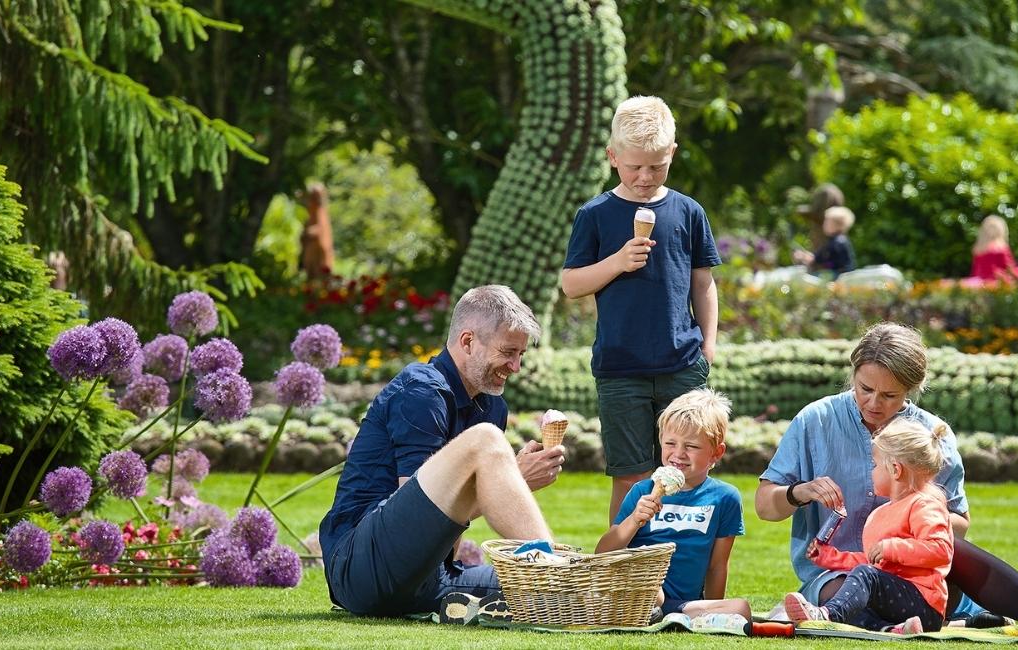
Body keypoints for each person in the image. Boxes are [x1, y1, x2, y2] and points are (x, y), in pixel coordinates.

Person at [755, 322, 1018, 645]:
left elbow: (958, 526)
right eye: (864, 389)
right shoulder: (816, 420)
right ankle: (928, 624)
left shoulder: (931, 433)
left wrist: (915, 518)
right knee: (850, 589)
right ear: (853, 375)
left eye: (889, 395)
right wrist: (798, 493)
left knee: (955, 550)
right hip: (838, 577)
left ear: (911, 390)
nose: (873, 403)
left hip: (919, 578)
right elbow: (764, 506)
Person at [318, 285, 567, 617]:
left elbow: (442, 537)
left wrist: (503, 483)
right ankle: (557, 567)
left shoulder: (492, 407)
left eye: (521, 354)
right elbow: (417, 519)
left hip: (427, 578)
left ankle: (589, 588)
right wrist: (514, 479)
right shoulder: (422, 391)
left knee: (542, 594)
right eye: (508, 352)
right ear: (467, 341)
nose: (516, 366)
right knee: (486, 440)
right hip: (360, 570)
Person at [562, 95, 721, 521]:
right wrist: (617, 262)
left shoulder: (688, 211)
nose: (645, 176)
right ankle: (622, 571)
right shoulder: (595, 214)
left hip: (681, 363)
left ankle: (683, 564)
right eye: (634, 166)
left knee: (686, 472)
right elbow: (571, 283)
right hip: (620, 368)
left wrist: (707, 346)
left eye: (656, 166)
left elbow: (703, 283)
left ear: (672, 153)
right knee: (631, 478)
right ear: (613, 157)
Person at [782, 418, 954, 635]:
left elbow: (941, 550)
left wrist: (892, 548)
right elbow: (872, 561)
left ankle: (826, 616)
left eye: (874, 464)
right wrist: (830, 558)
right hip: (898, 606)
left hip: (924, 604)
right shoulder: (881, 513)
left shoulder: (924, 504)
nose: (871, 471)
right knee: (855, 596)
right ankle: (893, 630)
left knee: (865, 577)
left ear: (895, 469)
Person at [595, 388, 750, 620]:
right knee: (650, 585)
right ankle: (651, 611)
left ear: (716, 453)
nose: (678, 454)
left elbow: (717, 565)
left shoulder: (725, 497)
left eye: (691, 446)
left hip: (682, 602)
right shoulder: (642, 490)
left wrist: (714, 611)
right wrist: (634, 520)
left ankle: (666, 615)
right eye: (670, 443)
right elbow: (603, 553)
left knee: (740, 609)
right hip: (639, 589)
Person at [795, 206, 857, 276]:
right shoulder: (836, 240)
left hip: (841, 275)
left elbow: (832, 262)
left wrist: (813, 259)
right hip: (839, 273)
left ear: (837, 225)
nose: (824, 225)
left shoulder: (838, 242)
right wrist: (810, 257)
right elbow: (821, 256)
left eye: (827, 222)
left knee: (813, 277)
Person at [969, 215, 1018, 281]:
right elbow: (1010, 269)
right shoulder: (1001, 248)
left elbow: (974, 272)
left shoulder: (978, 250)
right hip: (997, 284)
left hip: (980, 283)